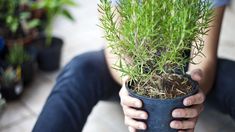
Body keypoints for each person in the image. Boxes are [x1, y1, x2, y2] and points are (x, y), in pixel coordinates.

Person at [33, 0, 232, 132]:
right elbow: (116, 49)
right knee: (79, 70)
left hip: (181, 70)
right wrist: (132, 88)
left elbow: (203, 57)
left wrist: (194, 89)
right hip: (131, 65)